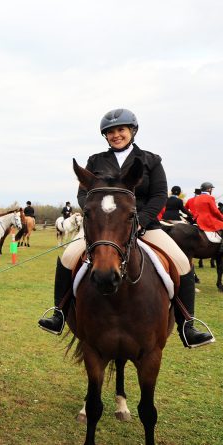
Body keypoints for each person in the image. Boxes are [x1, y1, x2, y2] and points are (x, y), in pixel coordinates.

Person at [37, 108, 214, 348]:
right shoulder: (96, 160)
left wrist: (141, 219)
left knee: (182, 262)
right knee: (69, 256)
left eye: (121, 130)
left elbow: (159, 194)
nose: (116, 135)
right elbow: (83, 194)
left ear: (132, 131)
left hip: (144, 224)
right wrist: (95, 214)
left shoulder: (151, 160)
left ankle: (187, 324)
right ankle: (58, 313)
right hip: (103, 226)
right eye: (110, 132)